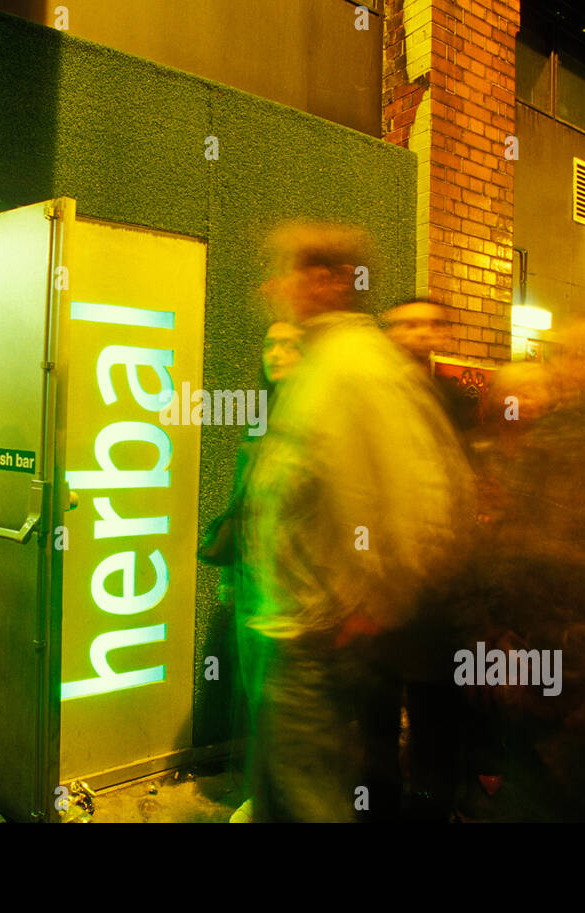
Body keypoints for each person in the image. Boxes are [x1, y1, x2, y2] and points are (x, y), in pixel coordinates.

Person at [241, 222, 475, 822]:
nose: (273, 286)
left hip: (319, 638)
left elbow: (424, 498)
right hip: (296, 631)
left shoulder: (354, 368)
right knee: (289, 795)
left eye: (285, 271)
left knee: (311, 799)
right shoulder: (323, 363)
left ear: (324, 280)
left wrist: (371, 605)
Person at [198, 320, 303, 823]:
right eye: (270, 343)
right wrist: (226, 575)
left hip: (297, 583)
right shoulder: (262, 416)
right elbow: (244, 498)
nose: (277, 352)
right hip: (252, 577)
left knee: (288, 698)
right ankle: (265, 794)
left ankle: (282, 798)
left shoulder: (318, 416)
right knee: (258, 693)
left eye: (291, 344)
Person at [383, 297, 479, 432]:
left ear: (445, 335)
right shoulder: (375, 385)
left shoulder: (451, 394)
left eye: (435, 325)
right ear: (392, 332)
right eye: (411, 325)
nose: (424, 333)